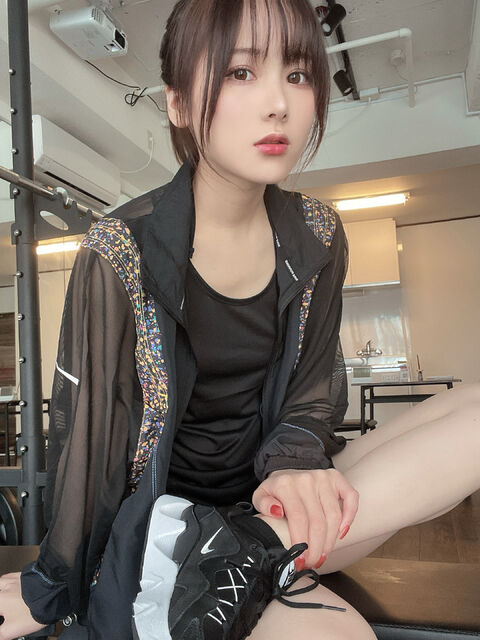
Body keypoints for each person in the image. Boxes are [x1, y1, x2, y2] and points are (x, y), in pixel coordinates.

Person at [1, 0, 479, 638]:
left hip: (274, 510)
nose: (278, 103)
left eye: (298, 74)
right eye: (240, 73)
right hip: (167, 536)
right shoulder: (120, 249)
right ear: (177, 103)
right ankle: (220, 560)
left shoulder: (317, 233)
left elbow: (311, 394)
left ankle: (248, 550)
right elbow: (87, 440)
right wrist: (56, 584)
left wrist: (296, 466)